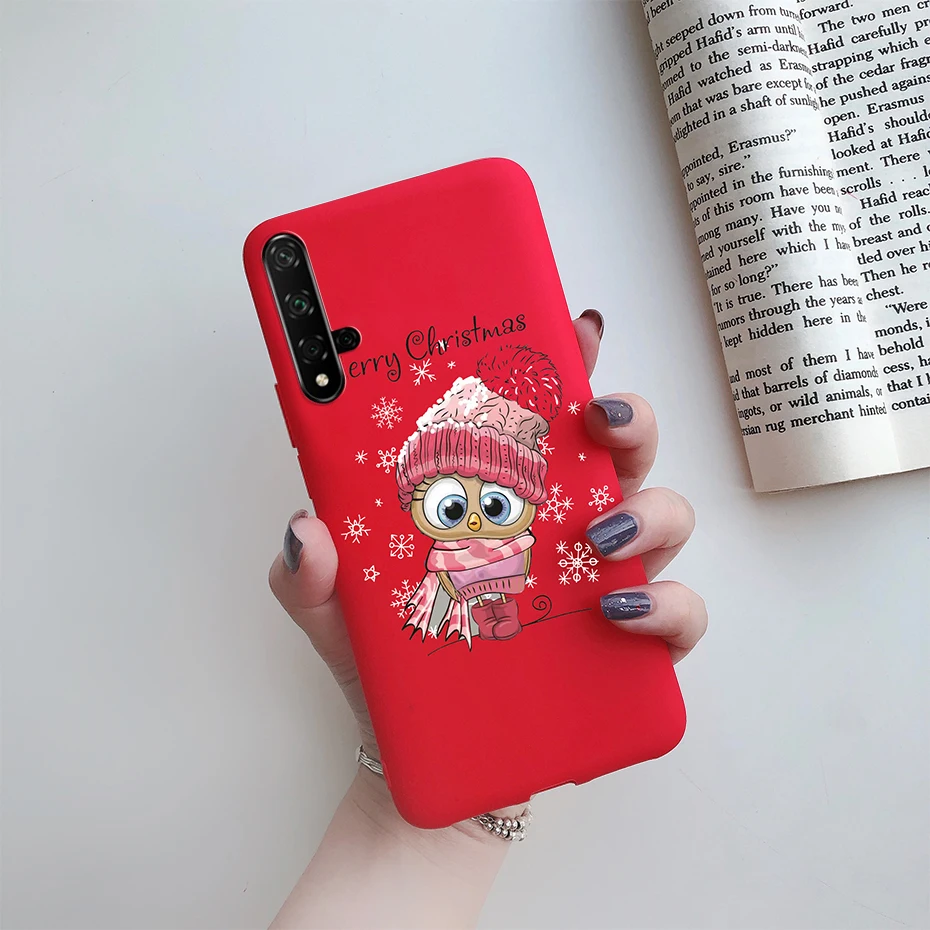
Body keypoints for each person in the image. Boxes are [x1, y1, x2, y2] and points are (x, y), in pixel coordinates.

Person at [266, 310, 706, 929]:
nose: (472, 520)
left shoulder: (519, 549)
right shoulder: (437, 572)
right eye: (450, 507)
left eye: (496, 503)